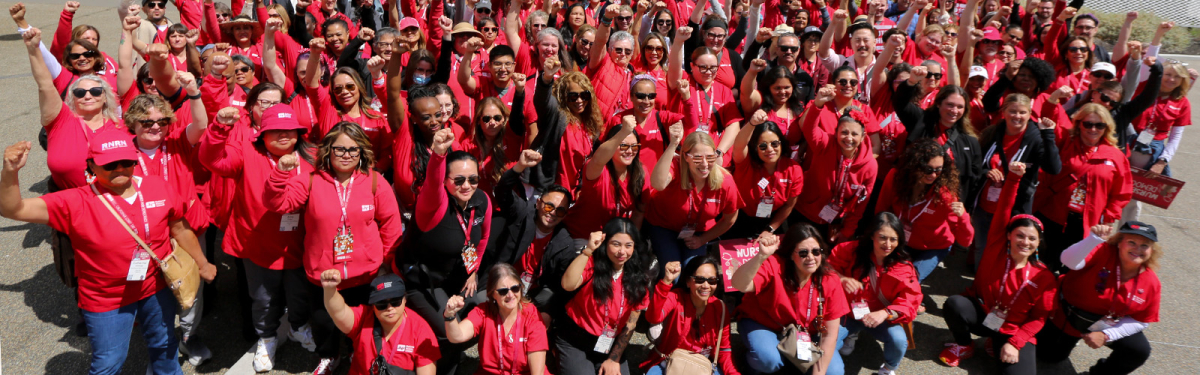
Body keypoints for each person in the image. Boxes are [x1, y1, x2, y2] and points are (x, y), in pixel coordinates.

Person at [0, 135, 215, 374]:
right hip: (106, 298)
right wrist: (10, 172)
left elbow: (180, 229)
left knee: (165, 346)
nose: (120, 169)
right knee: (109, 363)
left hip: (156, 287)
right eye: (110, 165)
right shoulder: (75, 201)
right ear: (91, 165)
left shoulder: (158, 187)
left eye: (126, 162)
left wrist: (203, 263)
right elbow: (13, 209)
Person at [263, 121, 404, 371]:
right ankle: (328, 357)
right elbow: (278, 204)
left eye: (353, 149)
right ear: (328, 150)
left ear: (362, 152)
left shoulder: (374, 182)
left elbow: (391, 224)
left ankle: (357, 355)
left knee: (362, 325)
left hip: (366, 275)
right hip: (324, 276)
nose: (347, 155)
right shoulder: (309, 181)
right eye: (340, 149)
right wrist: (280, 174)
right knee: (323, 324)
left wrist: (387, 263)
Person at [199, 104, 317, 372]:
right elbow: (212, 160)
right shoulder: (247, 152)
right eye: (275, 130)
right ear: (262, 134)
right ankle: (267, 338)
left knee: (299, 294)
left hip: (299, 242)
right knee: (263, 298)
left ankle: (298, 327)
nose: (283, 135)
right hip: (257, 242)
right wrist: (218, 127)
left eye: (290, 130)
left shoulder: (312, 156)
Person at [938, 161, 1058, 373]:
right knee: (955, 304)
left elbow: (1039, 318)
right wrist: (1013, 178)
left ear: (1039, 243)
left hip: (1014, 330)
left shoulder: (1045, 276)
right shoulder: (996, 249)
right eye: (1019, 235)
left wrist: (1015, 343)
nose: (1025, 242)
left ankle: (997, 344)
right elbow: (1004, 208)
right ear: (1009, 236)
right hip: (984, 315)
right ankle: (965, 345)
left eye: (1032, 238)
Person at [397, 129, 493, 375]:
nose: (466, 185)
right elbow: (431, 184)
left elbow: (482, 238)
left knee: (488, 310)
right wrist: (439, 154)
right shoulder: (435, 204)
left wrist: (474, 271)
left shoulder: (481, 200)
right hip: (424, 280)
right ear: (445, 181)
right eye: (458, 180)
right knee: (450, 331)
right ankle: (445, 366)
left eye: (472, 179)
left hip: (458, 276)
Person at [1037, 222, 1161, 375]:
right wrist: (1092, 240)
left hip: (1104, 324)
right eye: (1131, 242)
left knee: (1138, 350)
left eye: (1145, 245)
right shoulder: (1102, 250)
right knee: (1049, 357)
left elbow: (1141, 320)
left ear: (1151, 250)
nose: (1138, 249)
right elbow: (1067, 260)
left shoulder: (1152, 282)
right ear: (1119, 242)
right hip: (1068, 315)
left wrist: (1107, 335)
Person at [731, 224, 849, 375]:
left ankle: (790, 359)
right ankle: (753, 366)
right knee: (768, 360)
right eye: (803, 253)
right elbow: (739, 284)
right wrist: (761, 256)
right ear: (791, 254)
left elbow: (830, 334)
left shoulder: (830, 279)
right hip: (765, 324)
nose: (811, 257)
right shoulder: (774, 264)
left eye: (816, 251)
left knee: (834, 372)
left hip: (806, 333)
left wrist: (818, 373)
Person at [1033, 104, 1131, 272]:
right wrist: (1053, 99)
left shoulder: (1115, 156)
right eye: (1088, 124)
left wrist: (1108, 218)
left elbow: (1121, 192)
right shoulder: (1065, 142)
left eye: (1099, 125)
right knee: (1042, 263)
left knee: (1073, 268)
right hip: (1052, 215)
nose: (1093, 129)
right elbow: (1048, 118)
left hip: (1085, 223)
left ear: (1107, 127)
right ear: (1079, 123)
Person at [489, 150, 579, 324]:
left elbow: (558, 287)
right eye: (548, 206)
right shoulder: (522, 213)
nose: (553, 213)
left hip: (533, 292)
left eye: (560, 211)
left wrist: (548, 313)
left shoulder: (565, 242)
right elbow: (502, 192)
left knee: (546, 313)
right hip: (502, 280)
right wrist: (519, 166)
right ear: (538, 203)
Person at [827, 213, 921, 375]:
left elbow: (911, 300)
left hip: (882, 317)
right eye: (883, 237)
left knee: (899, 339)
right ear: (872, 235)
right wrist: (841, 279)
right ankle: (852, 333)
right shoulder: (849, 250)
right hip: (848, 314)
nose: (888, 244)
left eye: (894, 239)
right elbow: (826, 270)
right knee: (825, 346)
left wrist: (886, 313)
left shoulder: (904, 266)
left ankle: (889, 368)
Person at [559, 219, 657, 375]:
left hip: (609, 344)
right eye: (616, 244)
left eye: (628, 245)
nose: (622, 252)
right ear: (605, 243)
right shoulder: (591, 262)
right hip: (575, 340)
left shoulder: (639, 276)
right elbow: (567, 284)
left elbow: (631, 323)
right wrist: (589, 249)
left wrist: (614, 358)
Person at [875, 139, 973, 282]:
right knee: (883, 273)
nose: (933, 175)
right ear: (914, 165)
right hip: (902, 241)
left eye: (938, 170)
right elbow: (881, 211)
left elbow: (965, 242)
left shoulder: (945, 195)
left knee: (910, 280)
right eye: (928, 169)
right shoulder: (896, 178)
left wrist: (963, 217)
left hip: (932, 247)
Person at [795, 86, 878, 243]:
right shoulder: (825, 143)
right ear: (836, 132)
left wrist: (847, 231)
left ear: (863, 136)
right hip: (805, 211)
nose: (849, 138)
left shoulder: (870, 165)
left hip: (834, 222)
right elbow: (808, 128)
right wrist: (818, 104)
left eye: (854, 134)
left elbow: (861, 205)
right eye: (844, 132)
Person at [648, 130, 741, 270]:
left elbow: (730, 219)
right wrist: (673, 144)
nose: (704, 164)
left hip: (698, 232)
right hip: (664, 227)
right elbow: (658, 184)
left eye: (710, 157)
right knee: (673, 274)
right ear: (685, 156)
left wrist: (703, 239)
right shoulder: (675, 166)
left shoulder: (725, 181)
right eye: (697, 158)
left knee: (694, 271)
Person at [320, 271, 440, 375]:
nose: (389, 308)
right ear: (372, 306)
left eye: (395, 302)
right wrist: (330, 289)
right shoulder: (363, 318)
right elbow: (338, 311)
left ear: (404, 300)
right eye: (382, 304)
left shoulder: (421, 330)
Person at [444, 264, 550, 375]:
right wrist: (450, 315)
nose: (510, 295)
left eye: (515, 288)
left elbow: (537, 372)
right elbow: (457, 336)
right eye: (503, 291)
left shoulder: (531, 315)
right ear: (493, 294)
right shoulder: (484, 312)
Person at [641, 256, 740, 375]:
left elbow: (724, 351)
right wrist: (666, 281)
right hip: (668, 362)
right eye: (699, 279)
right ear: (688, 281)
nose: (706, 285)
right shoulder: (676, 298)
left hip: (703, 366)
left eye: (712, 280)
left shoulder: (720, 308)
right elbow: (653, 317)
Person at [727, 113, 803, 240]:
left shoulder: (793, 169)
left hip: (773, 221)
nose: (769, 149)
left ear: (781, 144)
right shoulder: (745, 163)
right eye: (763, 146)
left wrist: (770, 229)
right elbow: (739, 145)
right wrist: (751, 124)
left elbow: (789, 205)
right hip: (739, 219)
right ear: (755, 148)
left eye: (774, 144)